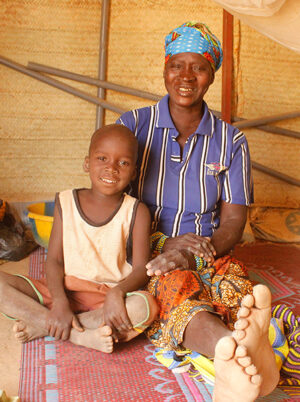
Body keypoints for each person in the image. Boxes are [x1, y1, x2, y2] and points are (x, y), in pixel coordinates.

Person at [116, 22, 280, 400]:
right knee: (174, 290)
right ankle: (230, 353)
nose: (186, 76)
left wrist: (193, 251)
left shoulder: (231, 141)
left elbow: (235, 221)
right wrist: (169, 247)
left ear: (211, 76)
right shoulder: (133, 125)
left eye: (199, 67)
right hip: (147, 250)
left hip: (209, 247)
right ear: (164, 68)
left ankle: (242, 347)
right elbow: (111, 204)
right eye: (177, 64)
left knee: (237, 288)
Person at [0, 124, 158, 353]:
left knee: (145, 307)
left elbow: (142, 269)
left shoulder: (137, 211)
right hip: (61, 291)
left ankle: (44, 326)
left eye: (123, 162)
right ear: (87, 163)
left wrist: (117, 292)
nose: (111, 168)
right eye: (102, 158)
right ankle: (78, 334)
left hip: (105, 301)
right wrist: (61, 302)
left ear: (134, 172)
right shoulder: (65, 202)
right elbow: (53, 260)